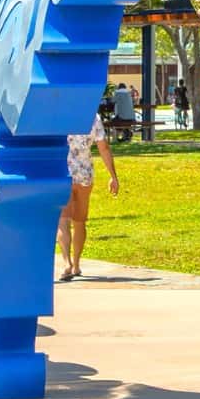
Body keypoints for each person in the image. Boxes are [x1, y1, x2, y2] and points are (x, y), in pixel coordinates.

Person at [57, 112, 119, 281]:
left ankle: (66, 263)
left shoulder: (61, 114)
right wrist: (113, 176)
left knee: (63, 219)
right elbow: (103, 147)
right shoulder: (93, 117)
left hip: (64, 172)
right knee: (79, 221)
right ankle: (76, 264)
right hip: (85, 173)